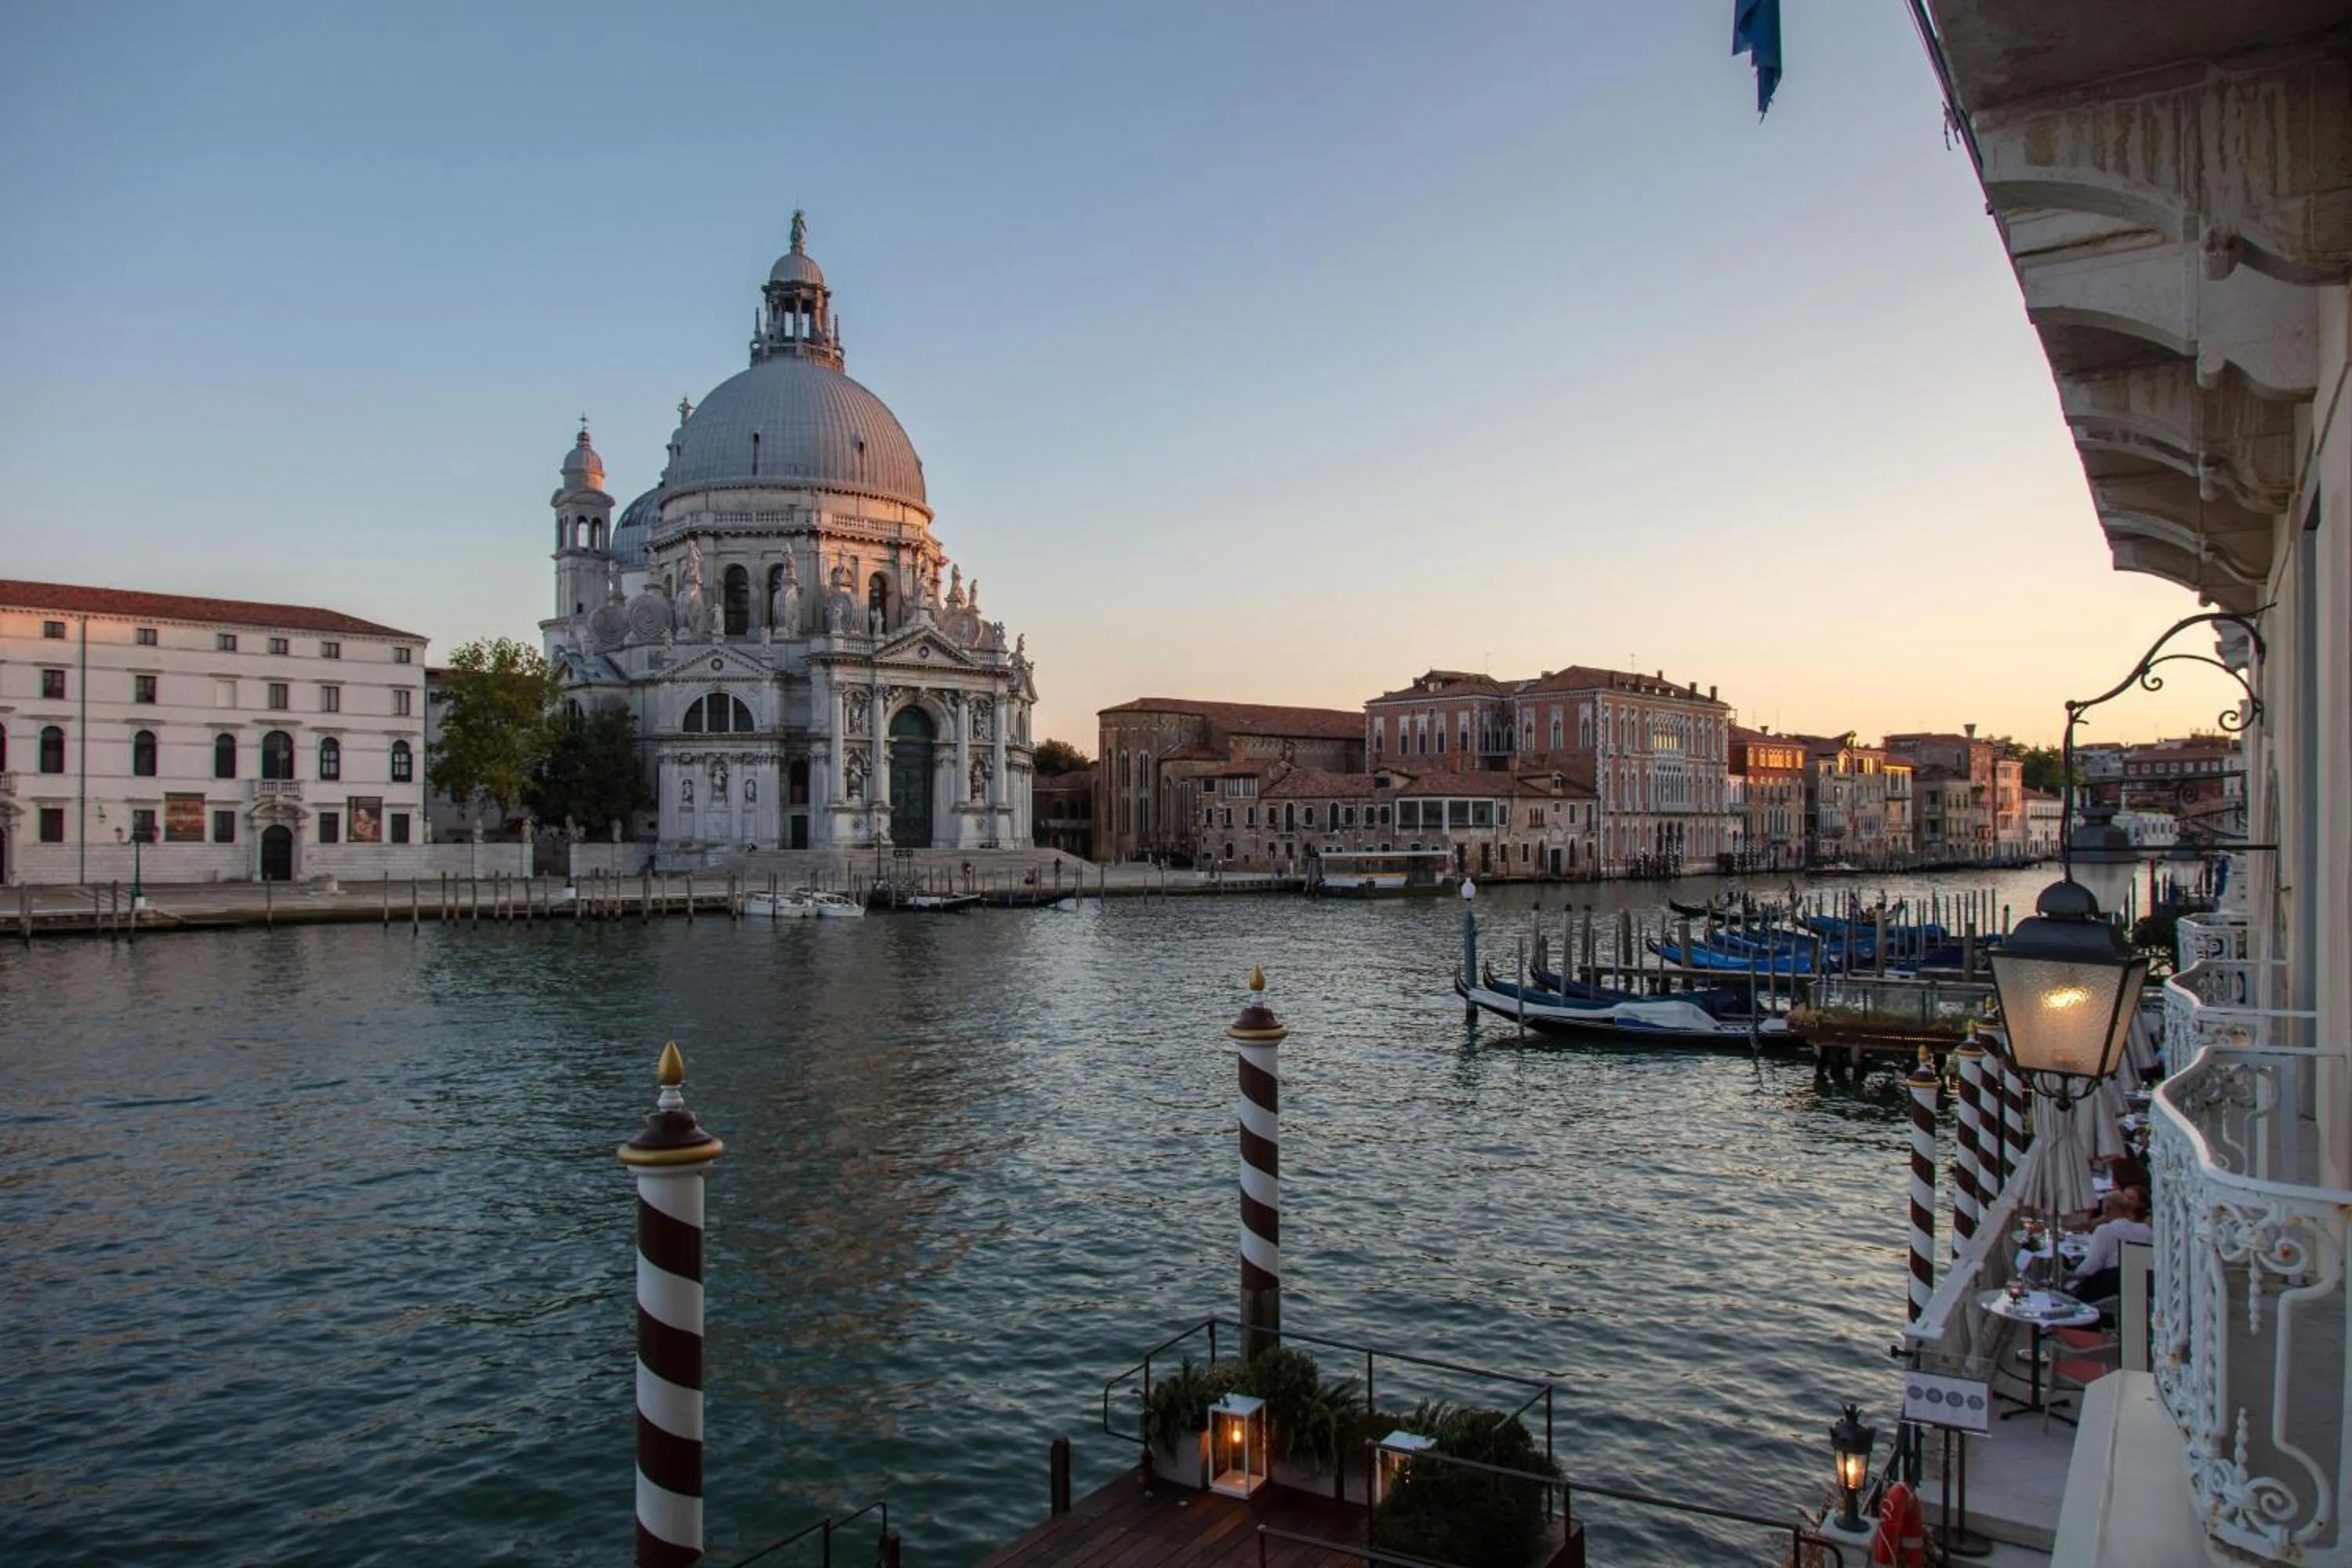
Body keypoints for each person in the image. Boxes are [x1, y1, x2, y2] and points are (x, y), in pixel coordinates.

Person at [2067, 1185, 2152, 1303]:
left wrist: (2073, 1275)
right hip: (2141, 1286)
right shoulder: (2146, 1230)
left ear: (2107, 1209)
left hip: (2111, 1289)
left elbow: (2091, 1266)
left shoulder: (2105, 1231)